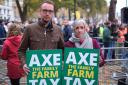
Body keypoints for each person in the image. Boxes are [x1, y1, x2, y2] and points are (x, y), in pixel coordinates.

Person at [18, 0, 64, 74]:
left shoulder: (58, 30)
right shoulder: (30, 28)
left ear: (53, 13)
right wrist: (24, 63)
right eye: (44, 10)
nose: (47, 13)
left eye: (50, 11)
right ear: (40, 12)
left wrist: (62, 61)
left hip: (53, 72)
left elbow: (62, 50)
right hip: (35, 72)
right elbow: (21, 50)